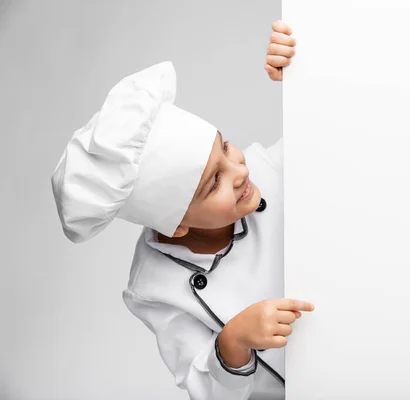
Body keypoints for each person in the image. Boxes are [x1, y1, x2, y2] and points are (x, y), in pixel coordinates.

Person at [51, 20, 311, 400]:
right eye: (214, 183)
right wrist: (233, 342)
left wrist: (301, 73)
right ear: (176, 228)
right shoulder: (154, 287)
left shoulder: (269, 170)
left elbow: (337, 130)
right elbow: (205, 389)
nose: (241, 171)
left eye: (225, 148)